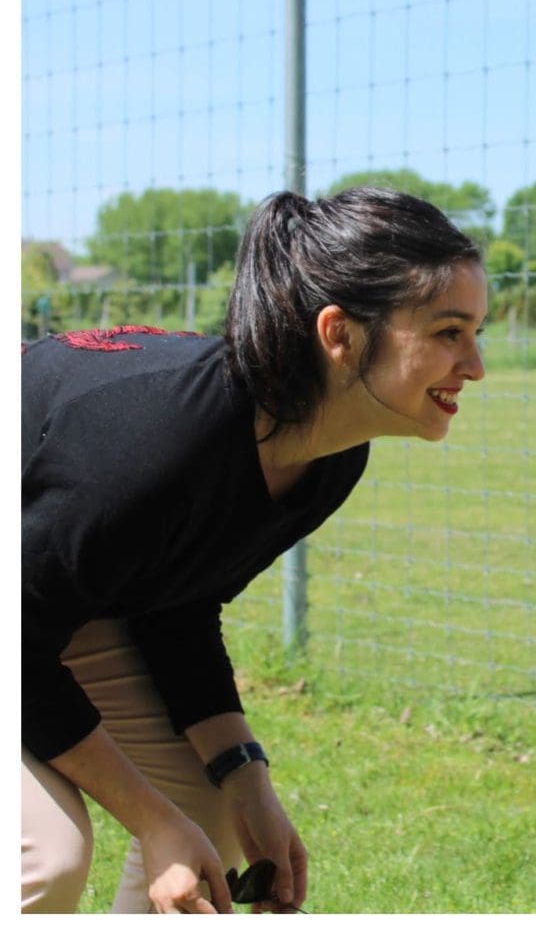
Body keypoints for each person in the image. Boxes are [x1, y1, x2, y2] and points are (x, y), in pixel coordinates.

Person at [21, 188, 487, 913]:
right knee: (46, 856)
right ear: (340, 335)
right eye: (449, 331)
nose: (476, 364)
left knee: (210, 816)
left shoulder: (331, 458)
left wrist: (247, 777)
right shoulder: (155, 444)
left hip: (45, 590)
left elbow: (175, 600)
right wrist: (149, 817)